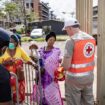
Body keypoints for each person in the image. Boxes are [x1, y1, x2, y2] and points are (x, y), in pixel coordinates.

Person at [61, 18, 96, 105]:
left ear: (70, 28)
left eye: (66, 30)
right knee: (88, 101)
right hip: (89, 77)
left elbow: (66, 66)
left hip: (74, 79)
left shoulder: (71, 41)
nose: (67, 33)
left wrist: (62, 62)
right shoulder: (91, 39)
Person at [0, 34, 37, 104]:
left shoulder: (19, 50)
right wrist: (6, 63)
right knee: (9, 98)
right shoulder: (4, 49)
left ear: (16, 43)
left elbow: (27, 59)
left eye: (13, 42)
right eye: (10, 41)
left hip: (19, 79)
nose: (11, 43)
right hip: (7, 79)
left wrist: (34, 64)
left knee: (19, 98)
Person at [30, 32, 63, 105]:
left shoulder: (57, 50)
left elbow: (60, 58)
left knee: (53, 96)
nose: (52, 42)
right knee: (42, 94)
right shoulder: (41, 50)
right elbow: (35, 59)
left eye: (54, 40)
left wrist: (62, 61)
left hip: (51, 78)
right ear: (47, 40)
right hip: (42, 77)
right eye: (50, 40)